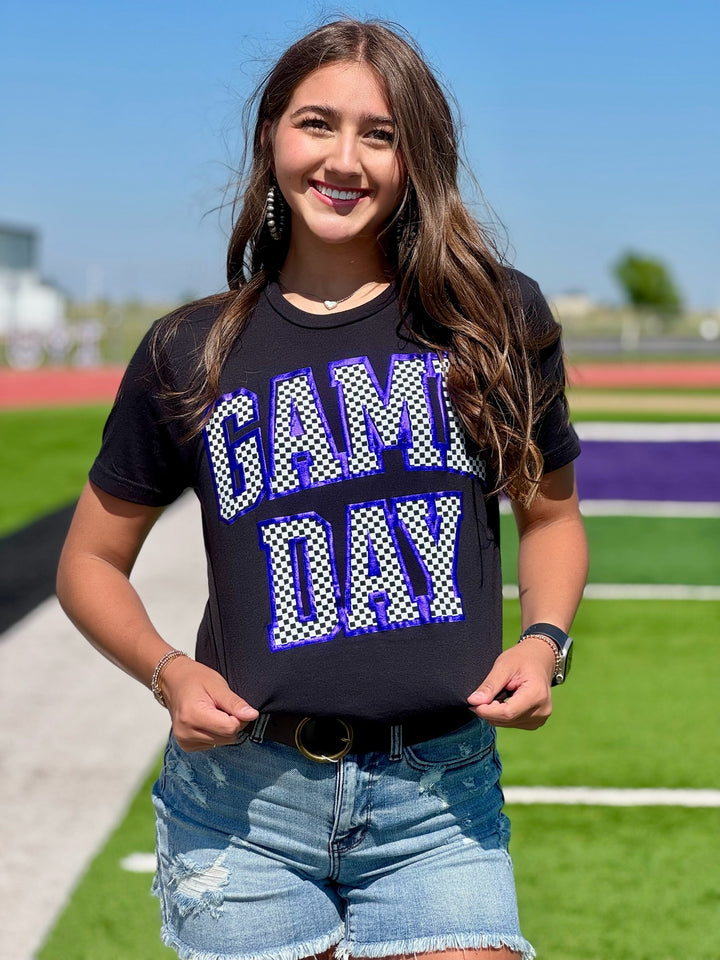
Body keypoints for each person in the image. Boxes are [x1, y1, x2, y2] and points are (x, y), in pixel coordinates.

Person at [57, 18, 588, 960]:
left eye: (379, 135)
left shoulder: (493, 319)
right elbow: (90, 563)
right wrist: (168, 671)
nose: (345, 160)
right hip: (240, 807)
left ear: (416, 156)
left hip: (438, 800)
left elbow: (550, 517)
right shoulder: (191, 348)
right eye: (317, 124)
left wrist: (546, 640)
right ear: (273, 136)